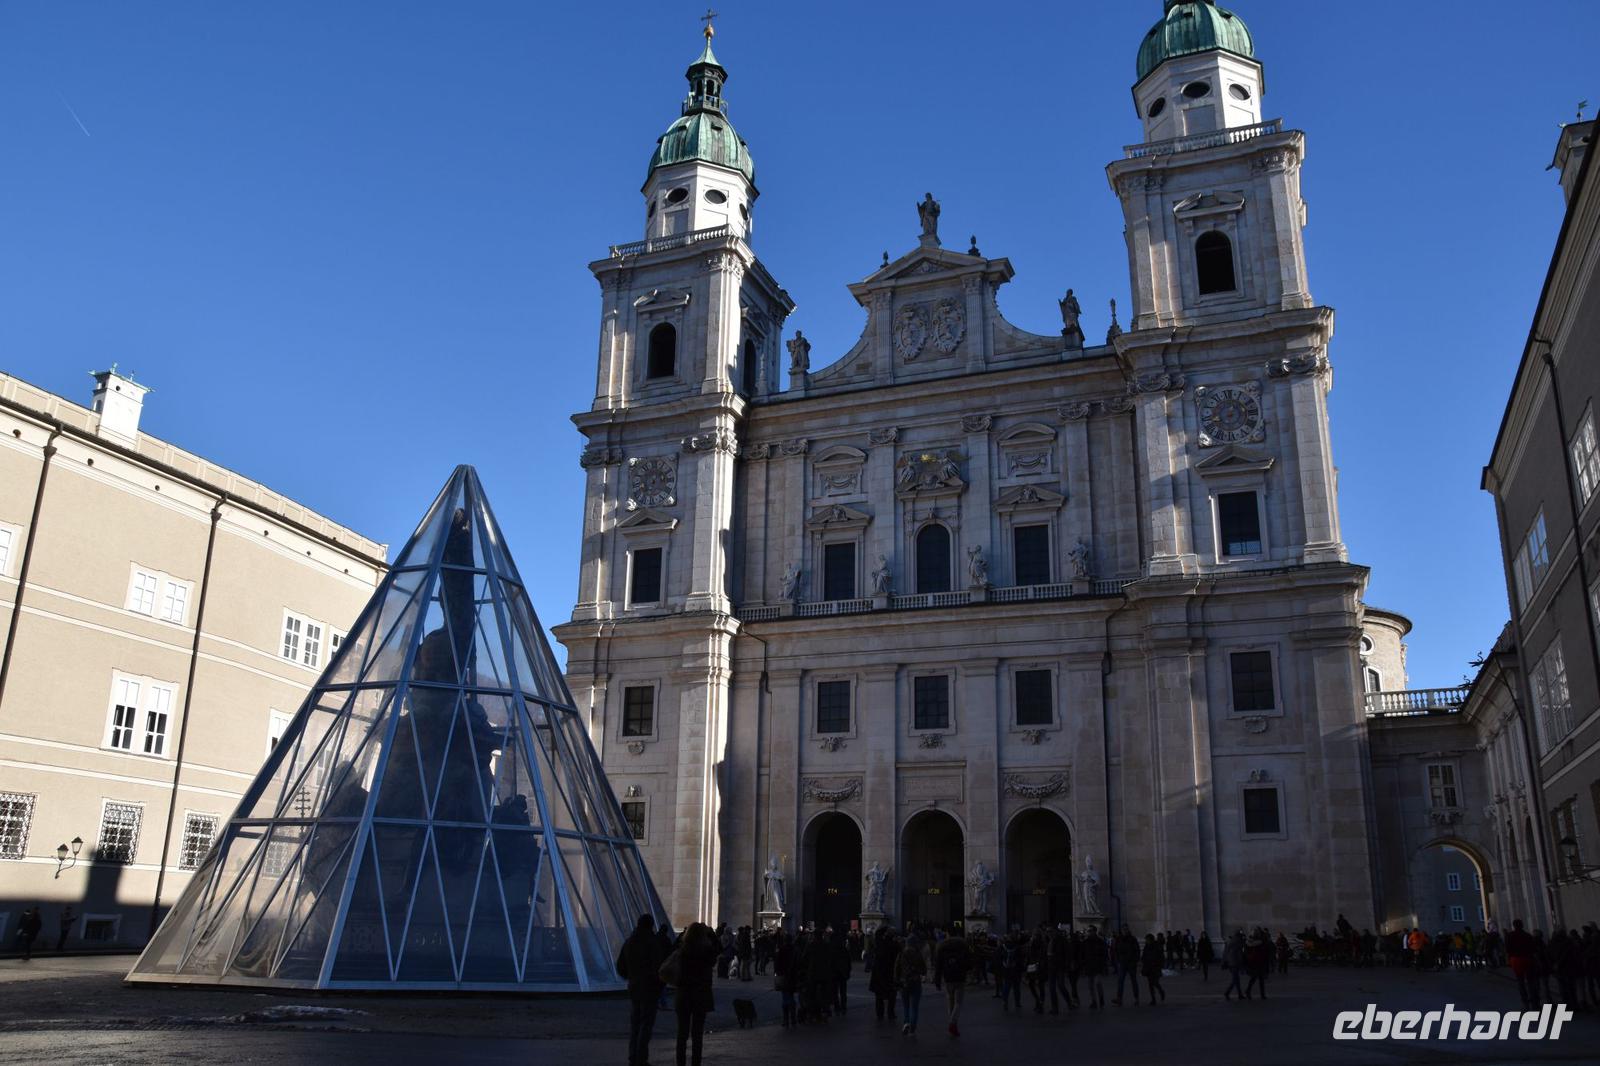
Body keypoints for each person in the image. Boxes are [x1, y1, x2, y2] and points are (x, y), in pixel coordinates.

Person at [616, 914, 666, 1066]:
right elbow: (659, 966)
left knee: (635, 1024)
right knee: (646, 1024)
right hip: (649, 987)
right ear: (651, 925)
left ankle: (633, 1056)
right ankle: (641, 1058)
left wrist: (631, 976)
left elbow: (620, 966)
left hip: (634, 986)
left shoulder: (629, 942)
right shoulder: (652, 943)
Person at [673, 922, 719, 1066]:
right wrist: (712, 934)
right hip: (700, 995)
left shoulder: (682, 951)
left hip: (684, 995)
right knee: (697, 1035)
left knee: (682, 1034)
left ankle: (680, 1063)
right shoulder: (706, 952)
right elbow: (719, 949)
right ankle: (695, 1063)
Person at [933, 927, 972, 1037]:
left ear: (948, 934)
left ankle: (953, 1024)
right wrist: (967, 969)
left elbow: (938, 965)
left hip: (948, 977)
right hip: (960, 977)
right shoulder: (963, 945)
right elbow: (969, 961)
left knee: (950, 1001)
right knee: (958, 1002)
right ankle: (953, 1023)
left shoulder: (942, 946)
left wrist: (937, 980)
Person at [896, 933, 927, 1035]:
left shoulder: (902, 953)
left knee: (906, 1005)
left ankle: (906, 1022)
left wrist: (897, 980)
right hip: (915, 981)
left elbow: (897, 968)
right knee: (914, 1007)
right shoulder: (918, 954)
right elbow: (924, 970)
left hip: (904, 981)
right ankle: (913, 1027)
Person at [869, 928, 899, 1021]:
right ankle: (891, 1013)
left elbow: (878, 934)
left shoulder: (879, 944)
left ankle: (880, 1014)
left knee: (879, 996)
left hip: (878, 973)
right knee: (891, 995)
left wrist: (884, 928)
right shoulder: (893, 945)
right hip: (890, 973)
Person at [773, 929, 798, 1028]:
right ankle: (793, 1019)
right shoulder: (795, 950)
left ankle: (786, 1019)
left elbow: (777, 964)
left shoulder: (782, 950)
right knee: (791, 996)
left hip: (784, 976)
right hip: (793, 976)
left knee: (785, 998)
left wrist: (777, 973)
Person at [1113, 926, 1141, 1005]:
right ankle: (1119, 998)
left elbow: (1137, 950)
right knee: (1120, 981)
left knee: (1133, 981)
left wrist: (1135, 960)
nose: (1125, 931)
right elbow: (1116, 950)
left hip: (1131, 963)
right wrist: (1118, 960)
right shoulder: (1119, 939)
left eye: (1126, 929)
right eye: (1124, 930)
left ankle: (1136, 998)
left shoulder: (1132, 939)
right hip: (1123, 963)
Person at [1081, 926, 1107, 1009]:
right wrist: (1083, 966)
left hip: (1098, 966)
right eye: (1088, 931)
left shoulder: (1100, 942)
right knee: (1090, 986)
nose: (1089, 932)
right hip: (1089, 966)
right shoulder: (1085, 942)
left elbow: (1104, 954)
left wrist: (1104, 966)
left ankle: (1101, 999)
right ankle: (1094, 1001)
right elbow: (1083, 955)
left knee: (1097, 983)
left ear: (1095, 931)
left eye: (1090, 931)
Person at [1141, 934, 1166, 1004]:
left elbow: (1161, 957)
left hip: (1155, 967)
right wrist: (1144, 962)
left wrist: (1160, 965)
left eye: (1147, 939)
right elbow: (1144, 956)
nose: (1146, 941)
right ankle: (1153, 998)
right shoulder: (1147, 947)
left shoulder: (1157, 946)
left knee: (1155, 982)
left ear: (1151, 940)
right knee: (1150, 984)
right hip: (1149, 967)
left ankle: (1161, 992)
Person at [1222, 931, 1246, 1000]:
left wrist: (1224, 962)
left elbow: (1225, 953)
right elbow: (1239, 955)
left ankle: (1239, 994)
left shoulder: (1230, 942)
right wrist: (1242, 966)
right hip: (1235, 963)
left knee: (1236, 979)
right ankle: (1227, 992)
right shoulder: (1238, 943)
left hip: (1230, 963)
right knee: (1235, 980)